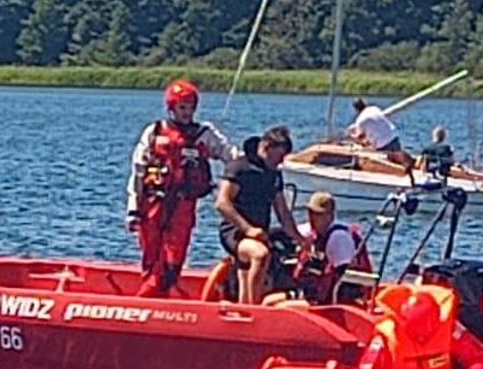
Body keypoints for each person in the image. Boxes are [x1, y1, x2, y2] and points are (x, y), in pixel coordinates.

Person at [127, 80, 236, 297]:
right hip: (152, 205)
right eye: (182, 107)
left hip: (183, 207)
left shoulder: (204, 135)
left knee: (172, 261)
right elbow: (138, 173)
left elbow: (230, 155)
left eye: (190, 108)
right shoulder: (154, 132)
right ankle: (154, 300)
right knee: (151, 258)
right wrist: (133, 210)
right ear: (172, 107)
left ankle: (147, 299)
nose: (187, 113)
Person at [216, 125, 308, 304]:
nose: (279, 162)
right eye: (278, 157)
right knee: (260, 255)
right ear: (266, 147)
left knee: (248, 271)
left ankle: (243, 309)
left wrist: (299, 239)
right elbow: (222, 203)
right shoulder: (240, 167)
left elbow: (283, 212)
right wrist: (248, 229)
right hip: (235, 232)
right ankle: (255, 309)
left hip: (259, 234)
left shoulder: (274, 175)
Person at [357, 284, 457, 369]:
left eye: (430, 325)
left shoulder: (449, 329)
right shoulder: (384, 339)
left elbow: (473, 359)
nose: (423, 334)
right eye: (418, 327)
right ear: (403, 323)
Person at [292, 191, 371, 305]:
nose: (312, 218)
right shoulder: (316, 231)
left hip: (340, 301)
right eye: (310, 212)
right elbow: (294, 231)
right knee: (271, 300)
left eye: (318, 214)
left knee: (278, 306)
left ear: (330, 216)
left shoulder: (338, 238)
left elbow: (342, 278)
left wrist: (318, 298)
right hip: (320, 295)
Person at [347, 97, 413, 168]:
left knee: (391, 163)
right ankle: (412, 163)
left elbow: (360, 136)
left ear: (356, 109)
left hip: (383, 145)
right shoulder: (374, 108)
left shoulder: (360, 120)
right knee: (399, 156)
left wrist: (350, 136)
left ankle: (404, 169)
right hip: (393, 136)